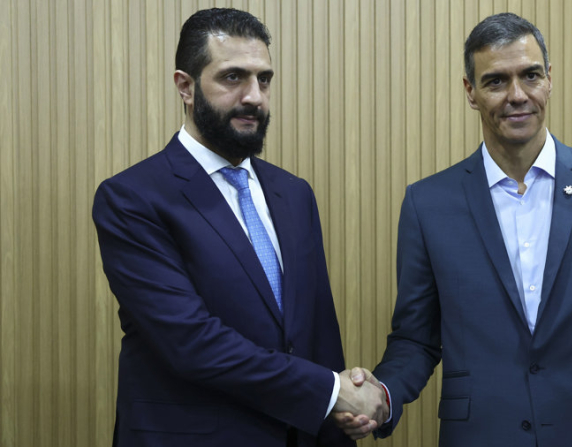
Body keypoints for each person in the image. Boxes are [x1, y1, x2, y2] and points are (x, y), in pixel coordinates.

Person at [335, 12, 572, 447]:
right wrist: (382, 396)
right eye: (496, 81)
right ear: (471, 92)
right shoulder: (428, 204)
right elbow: (417, 339)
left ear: (549, 79)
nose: (518, 95)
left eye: (530, 76)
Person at [93, 8, 385, 447]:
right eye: (233, 78)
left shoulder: (294, 193)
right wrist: (329, 390)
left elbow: (317, 334)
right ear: (185, 87)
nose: (254, 96)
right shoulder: (132, 198)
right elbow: (191, 342)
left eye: (263, 79)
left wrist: (340, 411)